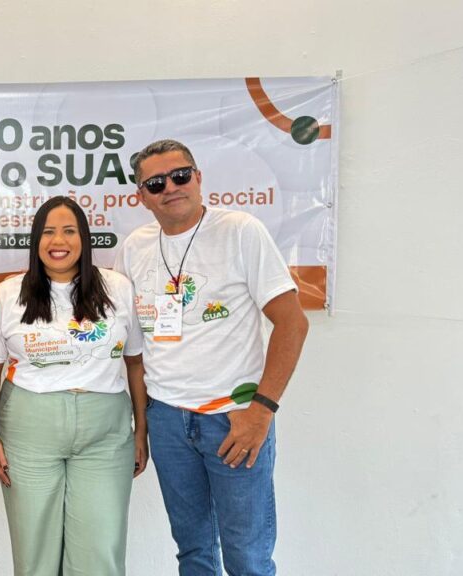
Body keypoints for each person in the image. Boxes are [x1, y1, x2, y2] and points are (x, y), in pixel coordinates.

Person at [115, 139, 309, 575]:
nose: (171, 187)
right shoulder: (134, 248)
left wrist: (261, 411)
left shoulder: (240, 231)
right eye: (156, 183)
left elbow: (293, 323)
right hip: (167, 419)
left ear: (198, 178)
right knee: (194, 550)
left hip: (233, 417)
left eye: (180, 175)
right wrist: (142, 425)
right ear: (141, 196)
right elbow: (133, 348)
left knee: (247, 556)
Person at [0, 196, 146, 576]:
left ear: (84, 238)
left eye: (69, 231)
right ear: (35, 240)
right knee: (35, 556)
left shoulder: (117, 288)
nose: (59, 241)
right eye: (48, 232)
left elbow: (135, 363)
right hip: (28, 430)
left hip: (105, 435)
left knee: (100, 555)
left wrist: (142, 430)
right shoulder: (8, 294)